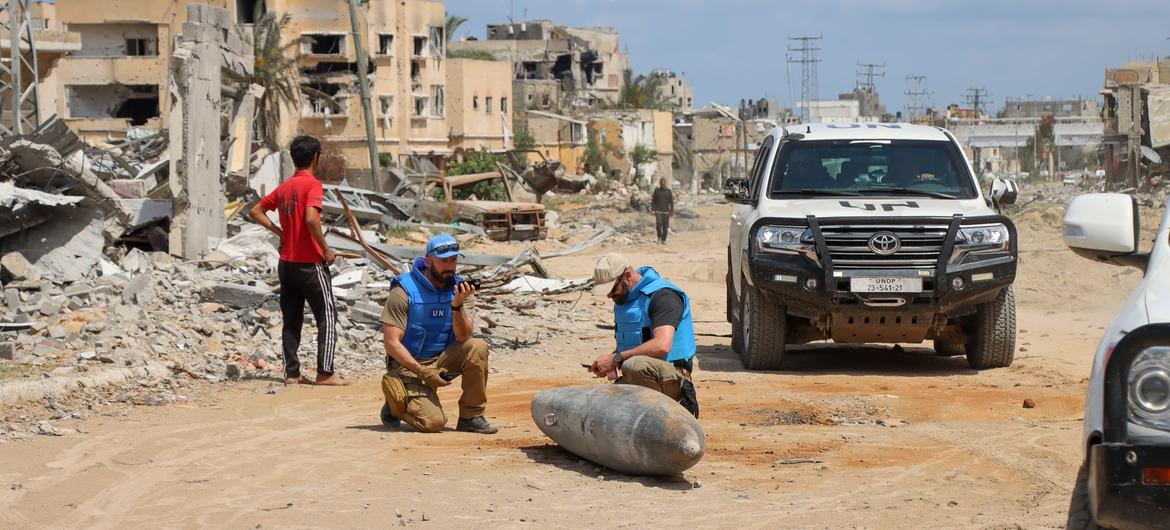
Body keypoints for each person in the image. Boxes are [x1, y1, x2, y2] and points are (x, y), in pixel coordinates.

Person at [249, 135, 346, 386]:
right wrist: (326, 250)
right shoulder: (312, 184)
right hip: (310, 263)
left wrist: (280, 232)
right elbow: (312, 218)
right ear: (315, 158)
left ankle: (292, 373)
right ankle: (325, 373)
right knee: (327, 315)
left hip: (287, 263)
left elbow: (255, 211)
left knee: (291, 320)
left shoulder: (286, 187)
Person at [378, 234, 498, 434]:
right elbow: (391, 343)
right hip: (410, 366)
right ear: (428, 261)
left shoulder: (460, 290)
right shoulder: (404, 291)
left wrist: (457, 306)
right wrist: (422, 371)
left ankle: (471, 416)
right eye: (444, 261)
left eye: (453, 260)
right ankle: (396, 404)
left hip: (441, 360)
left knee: (477, 346)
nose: (450, 266)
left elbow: (463, 337)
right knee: (434, 423)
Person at [589, 253, 699, 417]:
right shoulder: (627, 301)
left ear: (627, 276)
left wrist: (617, 359)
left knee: (634, 366)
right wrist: (610, 362)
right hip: (642, 376)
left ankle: (661, 417)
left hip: (673, 378)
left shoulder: (663, 296)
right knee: (597, 403)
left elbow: (662, 345)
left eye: (612, 289)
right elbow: (636, 345)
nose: (609, 295)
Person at [651, 179, 674, 244]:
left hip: (666, 212)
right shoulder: (656, 191)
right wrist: (653, 209)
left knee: (665, 226)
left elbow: (671, 202)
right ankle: (659, 238)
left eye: (664, 183)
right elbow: (653, 201)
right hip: (658, 211)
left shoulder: (668, 191)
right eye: (662, 183)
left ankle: (664, 239)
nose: (663, 184)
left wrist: (672, 210)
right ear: (660, 183)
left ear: (666, 183)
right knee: (658, 224)